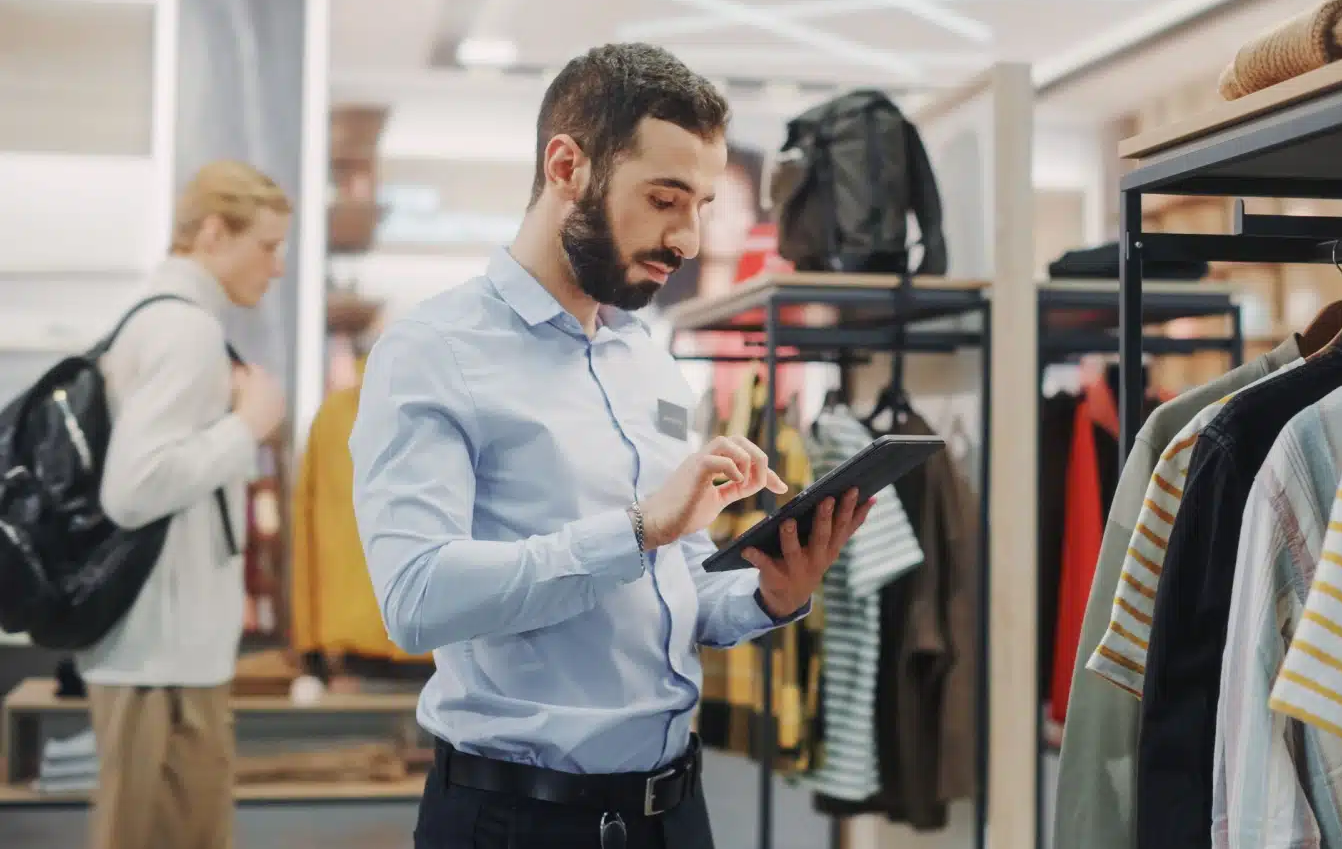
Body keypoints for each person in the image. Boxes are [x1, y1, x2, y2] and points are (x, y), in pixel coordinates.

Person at [349, 43, 871, 849]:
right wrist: (638, 529)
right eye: (664, 199)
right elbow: (416, 599)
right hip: (517, 822)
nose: (688, 238)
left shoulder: (646, 362)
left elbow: (675, 585)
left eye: (700, 205)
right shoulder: (434, 351)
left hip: (674, 814)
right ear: (567, 167)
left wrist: (769, 593)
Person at [85, 159, 290, 849]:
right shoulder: (185, 330)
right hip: (161, 662)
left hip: (162, 652)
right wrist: (248, 425)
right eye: (267, 245)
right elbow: (134, 488)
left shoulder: (163, 319)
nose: (277, 267)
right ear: (212, 233)